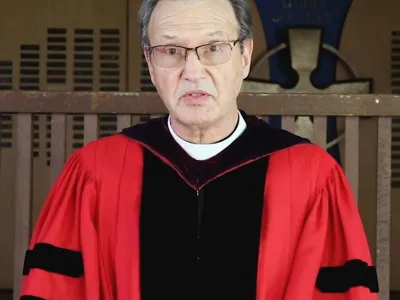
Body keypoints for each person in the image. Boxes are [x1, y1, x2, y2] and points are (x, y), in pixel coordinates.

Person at [19, 0, 379, 299]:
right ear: (149, 62)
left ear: (244, 55)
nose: (193, 71)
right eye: (171, 51)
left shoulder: (312, 176)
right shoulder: (95, 172)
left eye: (213, 48)